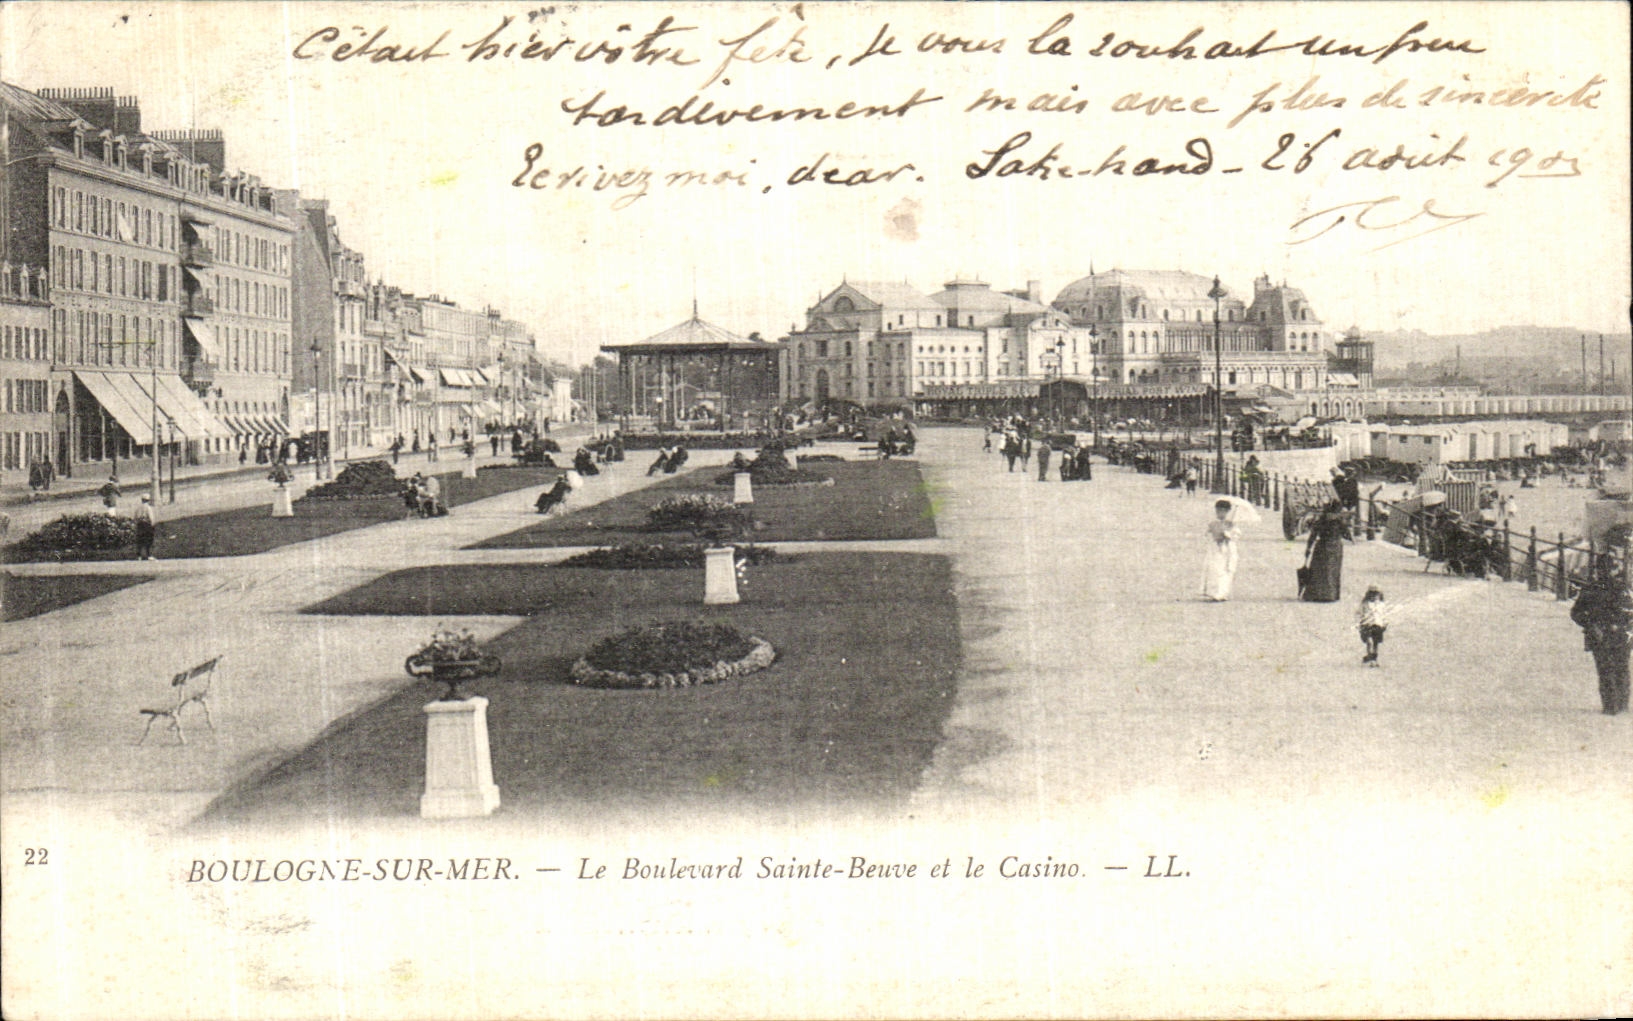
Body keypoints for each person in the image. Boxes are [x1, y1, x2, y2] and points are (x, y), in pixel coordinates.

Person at [1571, 554, 1632, 715]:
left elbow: (1630, 611)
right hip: (1603, 635)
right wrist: (1591, 624)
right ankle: (1613, 706)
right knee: (1610, 670)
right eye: (1601, 569)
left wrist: (1616, 624)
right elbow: (1576, 612)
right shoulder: (1592, 589)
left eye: (1606, 569)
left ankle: (1618, 705)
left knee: (1617, 669)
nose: (1603, 572)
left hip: (1617, 634)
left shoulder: (1621, 588)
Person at [1301, 499, 1351, 601]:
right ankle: (1330, 595)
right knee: (1332, 572)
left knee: (1319, 571)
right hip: (1336, 547)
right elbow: (1347, 535)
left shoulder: (1321, 520)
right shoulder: (1339, 521)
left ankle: (1316, 595)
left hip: (1322, 547)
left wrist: (1308, 548)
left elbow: (1313, 535)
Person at [1201, 499, 1241, 602]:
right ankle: (1214, 591)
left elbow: (1236, 535)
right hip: (1215, 548)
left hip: (1228, 549)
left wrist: (1228, 535)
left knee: (1226, 570)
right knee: (1215, 569)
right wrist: (1213, 535)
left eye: (1223, 511)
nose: (1220, 513)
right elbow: (1207, 535)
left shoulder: (1231, 524)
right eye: (1218, 511)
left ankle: (1222, 592)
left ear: (1228, 512)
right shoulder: (1213, 523)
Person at [1357, 585, 1389, 667]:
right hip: (1367, 625)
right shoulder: (1364, 604)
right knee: (1369, 642)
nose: (1373, 596)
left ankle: (1373, 659)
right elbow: (1359, 614)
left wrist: (1385, 623)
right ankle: (1371, 659)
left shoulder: (1381, 605)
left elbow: (1384, 615)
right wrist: (1359, 624)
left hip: (1377, 624)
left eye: (1375, 594)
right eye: (1371, 594)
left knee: (1375, 643)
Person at [133, 494, 157, 560]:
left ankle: (139, 556)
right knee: (148, 540)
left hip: (140, 524)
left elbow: (135, 518)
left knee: (140, 540)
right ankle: (149, 555)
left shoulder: (138, 508)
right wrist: (152, 525)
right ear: (148, 500)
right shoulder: (148, 508)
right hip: (147, 525)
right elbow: (151, 518)